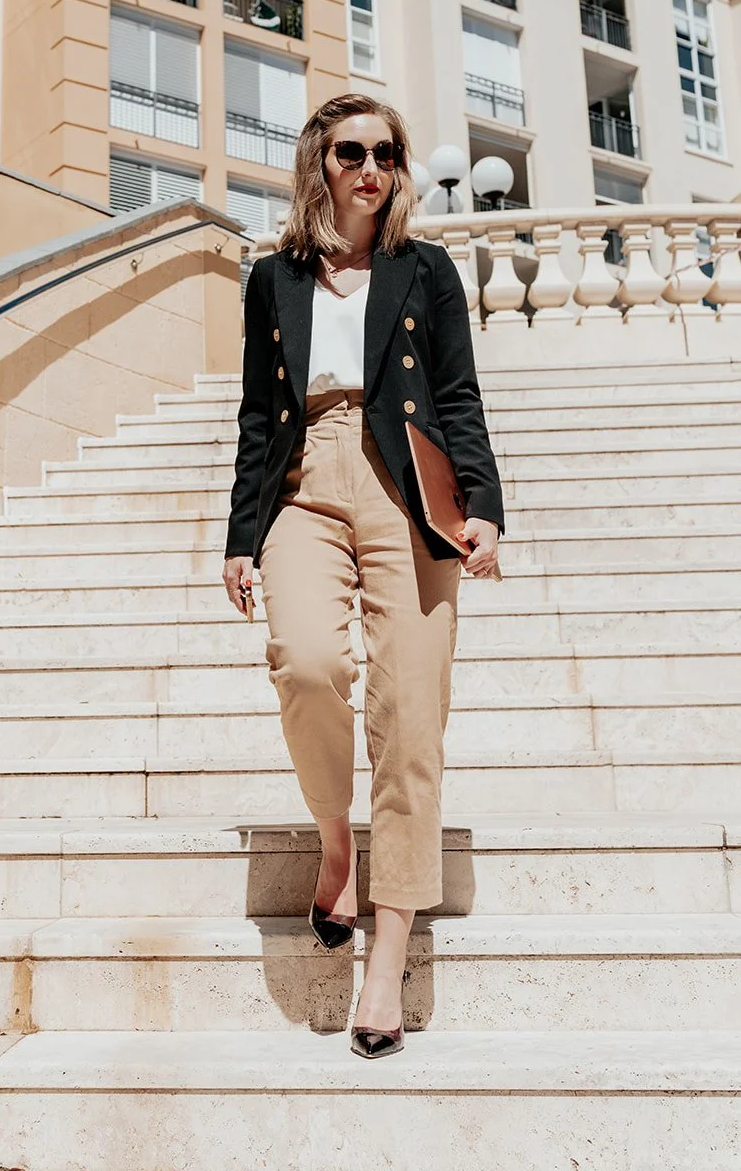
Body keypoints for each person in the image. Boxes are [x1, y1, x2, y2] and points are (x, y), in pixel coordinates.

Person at [221, 93, 504, 1059]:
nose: (371, 168)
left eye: (386, 153)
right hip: (305, 482)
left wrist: (482, 509)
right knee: (303, 663)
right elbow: (260, 417)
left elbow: (458, 396)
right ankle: (333, 836)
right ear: (319, 164)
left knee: (408, 711)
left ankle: (385, 952)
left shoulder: (424, 270)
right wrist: (236, 533)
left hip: (405, 484)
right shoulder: (274, 278)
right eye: (351, 152)